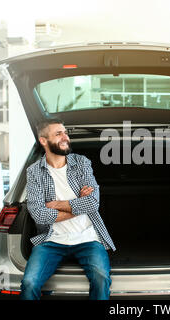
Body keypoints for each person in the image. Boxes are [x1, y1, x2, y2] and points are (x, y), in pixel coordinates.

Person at [20, 119, 116, 300]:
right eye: (58, 134)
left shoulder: (81, 163)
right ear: (43, 141)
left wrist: (57, 204)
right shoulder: (34, 172)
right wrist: (79, 204)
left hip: (87, 237)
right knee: (29, 283)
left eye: (65, 133)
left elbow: (93, 203)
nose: (65, 137)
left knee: (101, 277)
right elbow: (39, 214)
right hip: (51, 240)